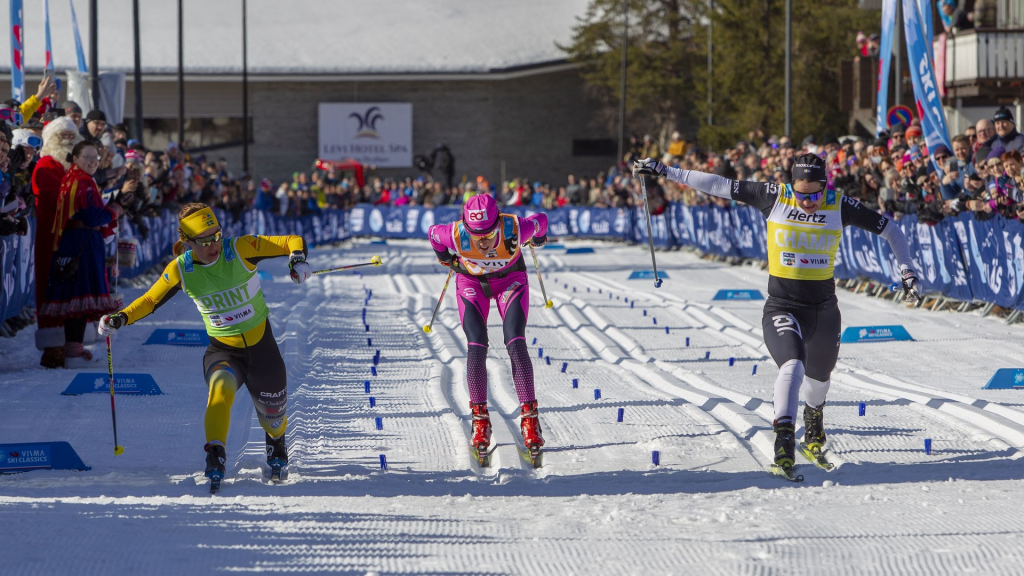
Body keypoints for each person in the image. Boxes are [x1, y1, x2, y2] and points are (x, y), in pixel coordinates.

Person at [634, 154, 921, 478]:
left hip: (824, 311)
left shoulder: (839, 205)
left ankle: (814, 426)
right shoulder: (775, 196)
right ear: (791, 186)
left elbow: (891, 230)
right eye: (802, 194)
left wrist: (906, 268)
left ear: (825, 187)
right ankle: (784, 440)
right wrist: (665, 170)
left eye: (815, 194)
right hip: (782, 307)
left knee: (818, 383)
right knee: (793, 363)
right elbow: (718, 184)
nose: (808, 202)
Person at [97, 203, 311, 489]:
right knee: (219, 391)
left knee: (274, 419)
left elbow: (289, 241)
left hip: (263, 348)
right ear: (187, 241)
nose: (214, 245)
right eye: (204, 241)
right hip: (224, 351)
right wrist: (120, 318)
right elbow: (150, 300)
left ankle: (275, 441)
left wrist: (297, 259)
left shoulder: (241, 248)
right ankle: (216, 454)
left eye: (216, 235)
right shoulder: (181, 269)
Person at [427, 194, 548, 465]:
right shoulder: (456, 233)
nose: (482, 240)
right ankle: (480, 420)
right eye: (475, 234)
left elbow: (541, 220)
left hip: (510, 280)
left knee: (515, 342)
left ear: (498, 223)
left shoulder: (515, 228)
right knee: (476, 344)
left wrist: (538, 238)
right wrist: (444, 257)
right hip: (471, 282)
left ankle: (530, 420)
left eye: (488, 233)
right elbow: (433, 233)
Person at [38, 141, 134, 367]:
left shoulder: (74, 179)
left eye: (95, 158)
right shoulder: (83, 182)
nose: (93, 161)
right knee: (79, 300)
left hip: (74, 242)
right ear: (75, 159)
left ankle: (75, 351)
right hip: (82, 242)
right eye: (87, 157)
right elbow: (93, 217)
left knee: (76, 300)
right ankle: (74, 354)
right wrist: (117, 207)